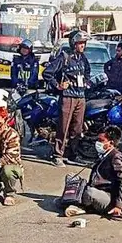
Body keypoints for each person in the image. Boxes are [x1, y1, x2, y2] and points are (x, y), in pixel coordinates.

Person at [43, 30, 91, 167]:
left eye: (84, 43)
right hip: (67, 97)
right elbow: (48, 73)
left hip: (80, 97)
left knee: (77, 129)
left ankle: (72, 154)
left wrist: (86, 83)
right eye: (80, 43)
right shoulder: (64, 57)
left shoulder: (83, 58)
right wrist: (58, 85)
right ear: (73, 43)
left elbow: (87, 72)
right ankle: (58, 155)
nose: (83, 46)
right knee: (63, 127)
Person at [63, 126, 122, 218]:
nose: (97, 143)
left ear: (111, 143)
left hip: (108, 197)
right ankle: (76, 202)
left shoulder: (116, 156)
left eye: (101, 140)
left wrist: (119, 205)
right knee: (71, 177)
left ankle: (79, 205)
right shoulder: (103, 154)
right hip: (95, 188)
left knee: (90, 193)